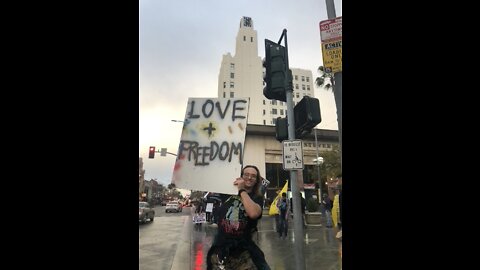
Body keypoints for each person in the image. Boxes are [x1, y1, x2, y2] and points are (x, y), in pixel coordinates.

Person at [206, 165, 271, 270]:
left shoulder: (257, 197)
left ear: (256, 181)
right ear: (240, 176)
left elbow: (253, 213)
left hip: (244, 249)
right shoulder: (227, 192)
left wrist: (242, 190)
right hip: (221, 246)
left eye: (253, 176)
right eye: (246, 174)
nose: (249, 178)